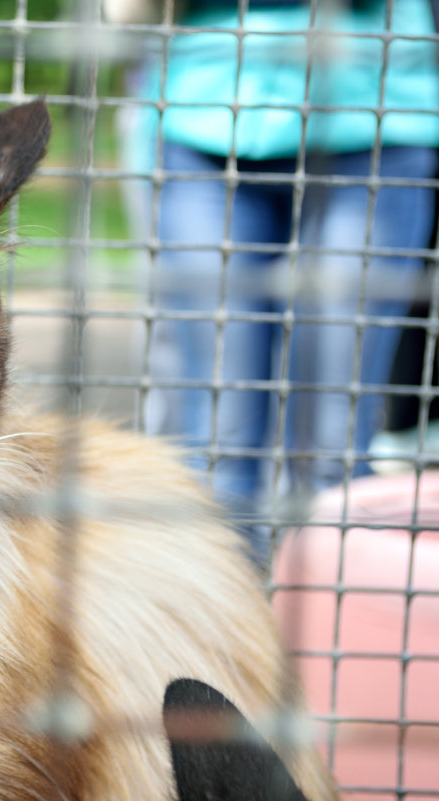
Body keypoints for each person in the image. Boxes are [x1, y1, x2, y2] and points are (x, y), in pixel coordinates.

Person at [115, 0, 439, 560]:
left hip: (377, 121)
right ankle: (229, 633)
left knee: (335, 442)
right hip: (204, 115)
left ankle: (330, 631)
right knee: (218, 435)